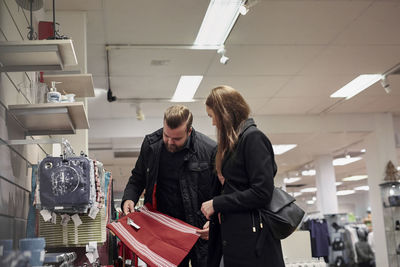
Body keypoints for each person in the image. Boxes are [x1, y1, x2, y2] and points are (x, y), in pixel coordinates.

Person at [121, 104, 219, 267]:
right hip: (163, 229)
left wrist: (215, 220)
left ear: (189, 131)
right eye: (167, 135)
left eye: (177, 138)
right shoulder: (151, 144)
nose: (170, 142)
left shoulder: (209, 149)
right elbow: (138, 178)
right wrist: (129, 199)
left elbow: (220, 192)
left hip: (198, 229)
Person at [200, 86, 285, 267]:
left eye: (212, 116)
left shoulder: (253, 139)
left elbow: (262, 192)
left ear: (224, 113)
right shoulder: (231, 145)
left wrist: (217, 204)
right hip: (234, 242)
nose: (213, 123)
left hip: (253, 246)